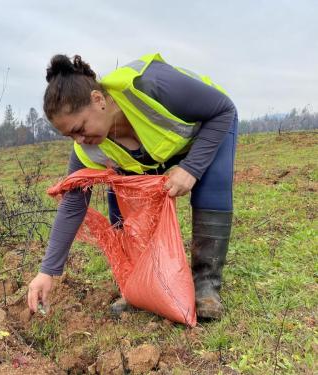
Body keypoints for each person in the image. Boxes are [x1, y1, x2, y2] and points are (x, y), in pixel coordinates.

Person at [27, 53, 238, 320]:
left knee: (212, 187)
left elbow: (223, 110)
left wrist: (192, 168)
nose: (79, 141)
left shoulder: (151, 86)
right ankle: (140, 285)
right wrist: (48, 271)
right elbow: (72, 206)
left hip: (209, 125)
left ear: (98, 100)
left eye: (80, 128)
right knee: (122, 195)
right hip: (156, 152)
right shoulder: (88, 149)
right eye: (70, 135)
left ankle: (206, 286)